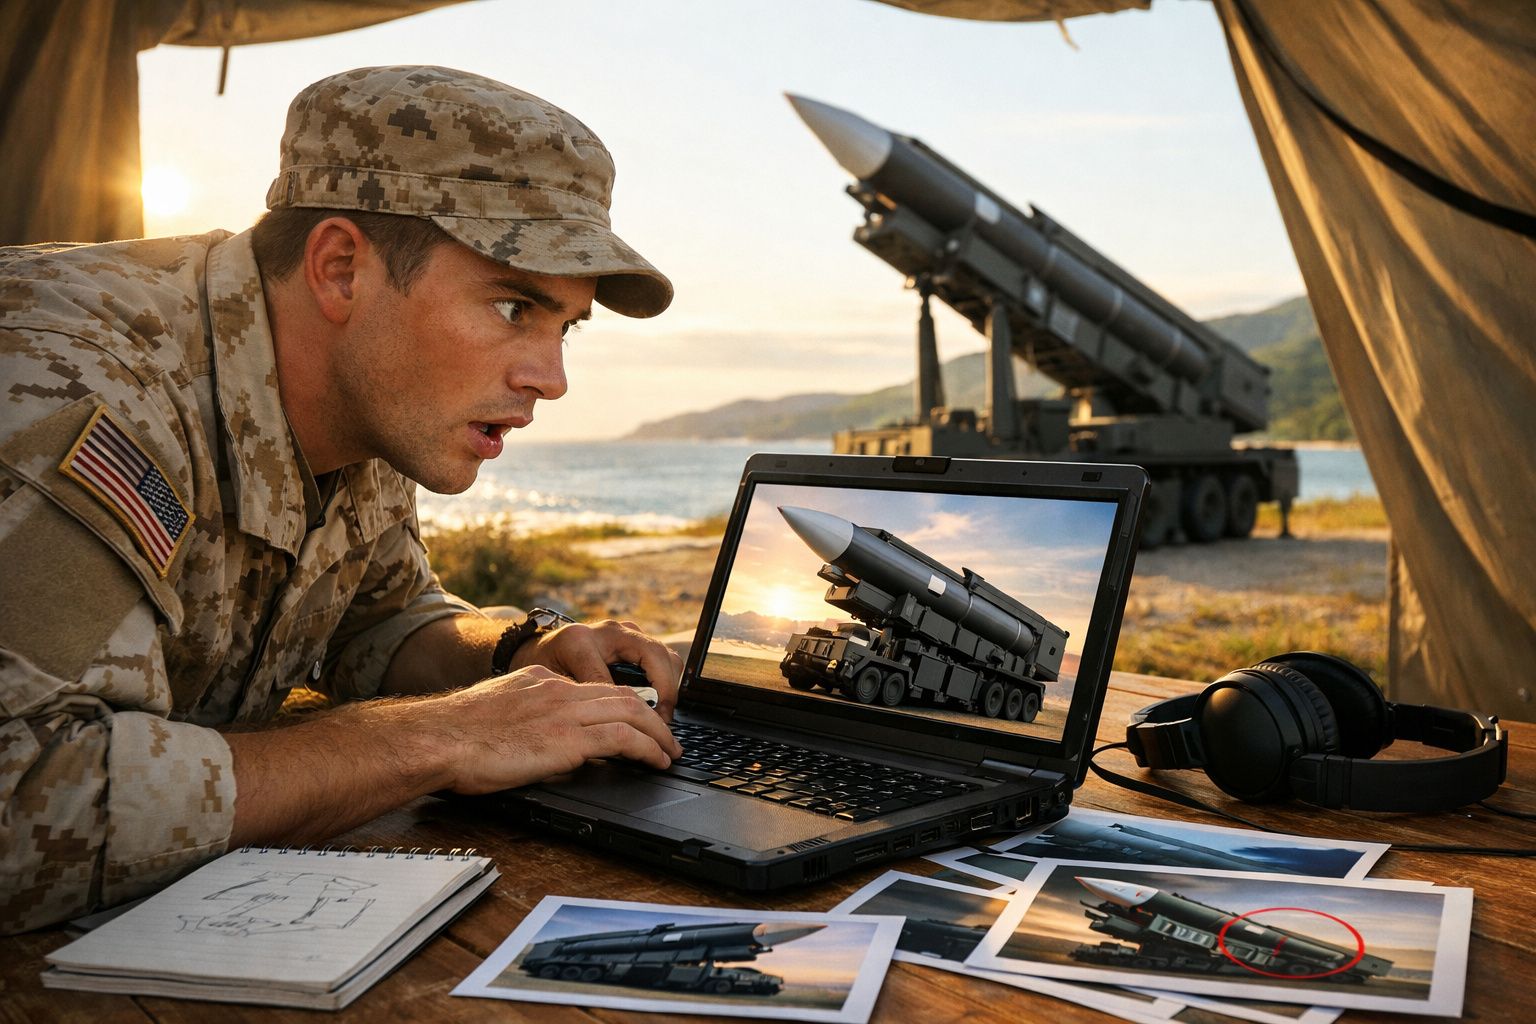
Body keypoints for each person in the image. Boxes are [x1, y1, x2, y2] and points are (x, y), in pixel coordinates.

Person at [0, 65, 685, 934]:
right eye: (514, 307)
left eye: (564, 327)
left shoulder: (365, 400)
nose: (549, 381)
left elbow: (381, 621)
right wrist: (440, 738)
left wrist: (522, 654)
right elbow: (25, 805)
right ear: (338, 270)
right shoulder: (78, 385)